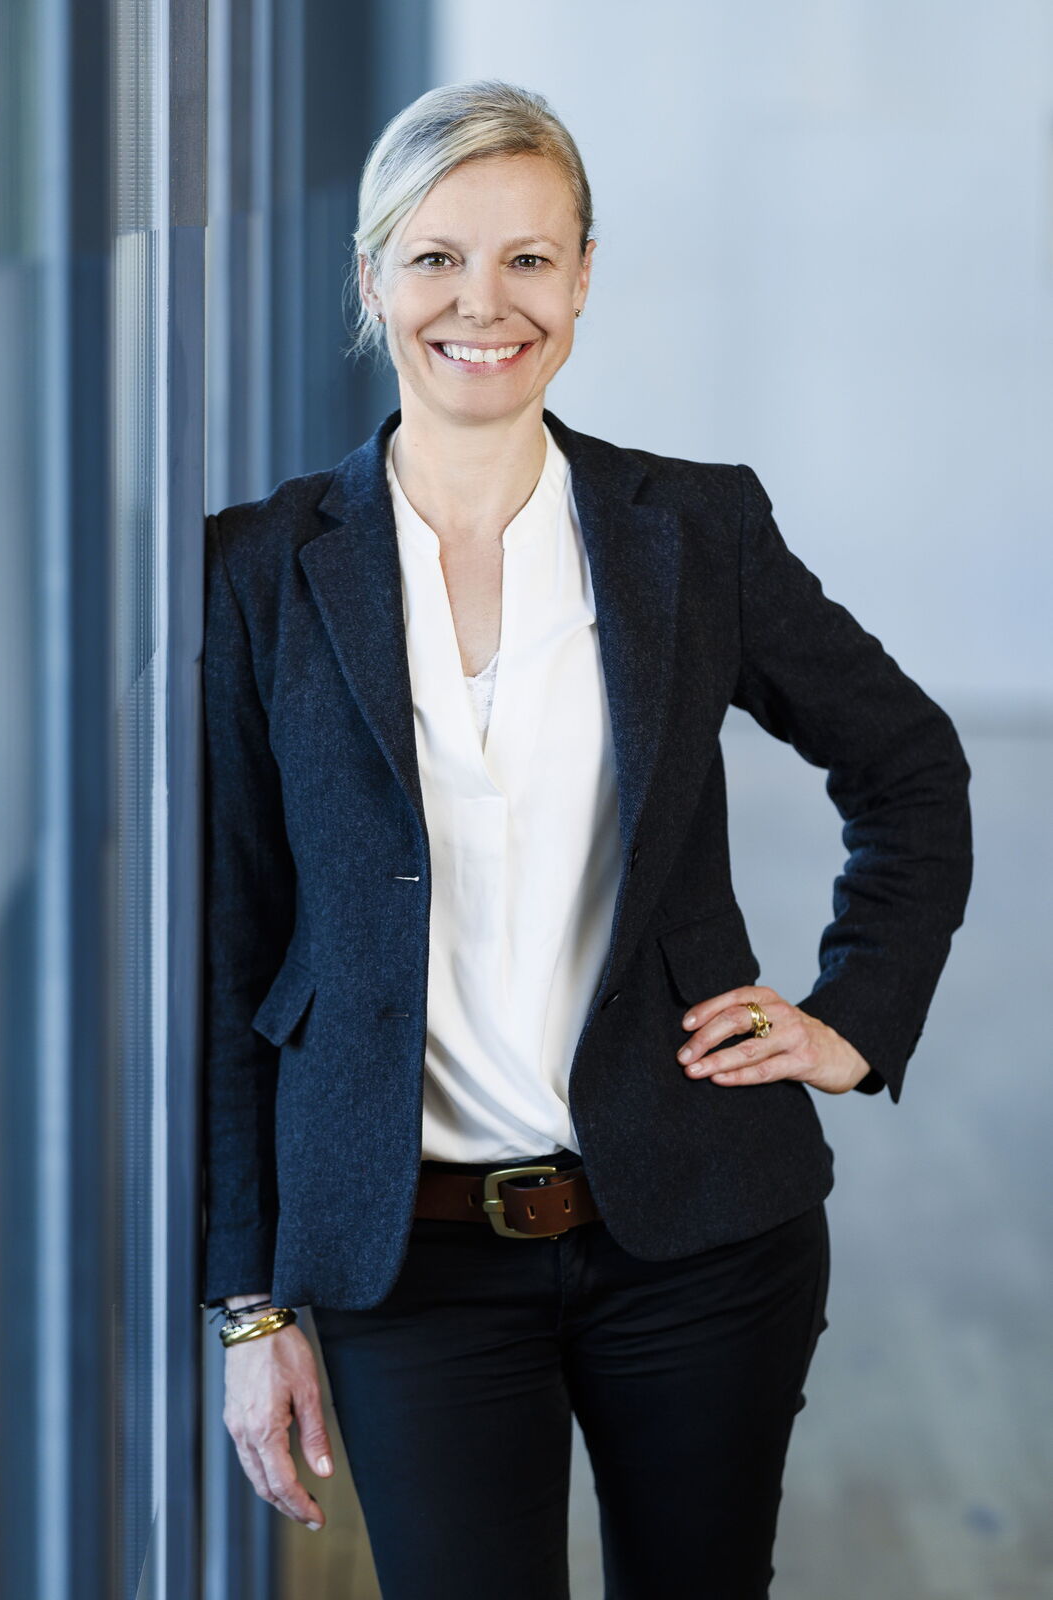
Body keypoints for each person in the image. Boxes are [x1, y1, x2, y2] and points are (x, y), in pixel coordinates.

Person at [200, 80, 973, 1599]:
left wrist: (853, 1017)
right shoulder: (260, 568)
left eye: (529, 260)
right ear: (370, 279)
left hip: (697, 1233)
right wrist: (250, 1303)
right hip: (411, 1260)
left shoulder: (692, 530)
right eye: (436, 258)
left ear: (584, 277)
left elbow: (909, 766)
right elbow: (230, 948)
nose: (482, 303)